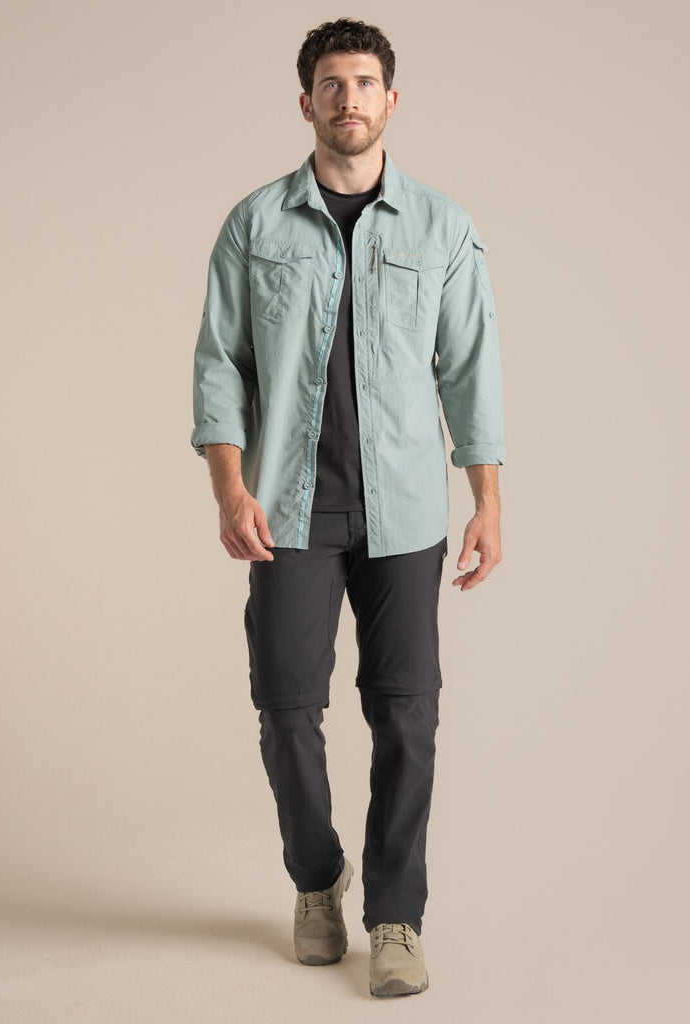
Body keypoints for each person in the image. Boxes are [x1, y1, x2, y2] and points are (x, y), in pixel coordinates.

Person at [190, 17, 505, 998]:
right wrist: (229, 488)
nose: (349, 99)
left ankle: (396, 916)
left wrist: (487, 500)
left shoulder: (442, 227)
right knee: (286, 711)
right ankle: (317, 880)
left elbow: (471, 371)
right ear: (307, 103)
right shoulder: (254, 225)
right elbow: (219, 365)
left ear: (391, 101)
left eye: (365, 83)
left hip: (405, 514)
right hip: (288, 511)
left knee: (408, 717)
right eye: (332, 83)